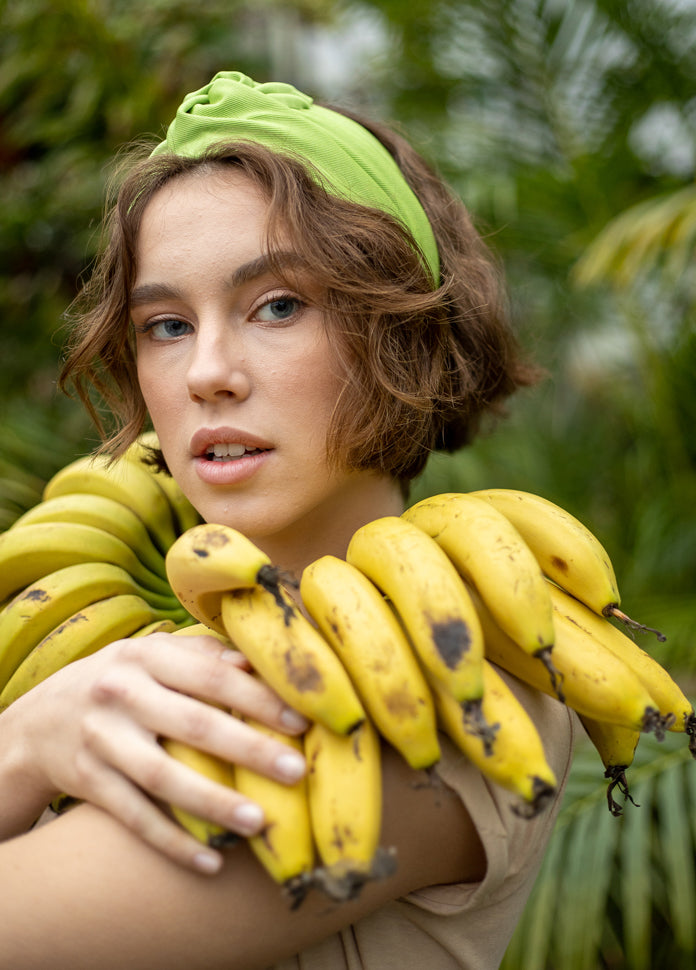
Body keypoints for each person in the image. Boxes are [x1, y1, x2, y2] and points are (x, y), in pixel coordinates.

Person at [0, 71, 575, 969]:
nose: (206, 373)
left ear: (401, 332)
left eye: (277, 306)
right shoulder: (114, 660)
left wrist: (22, 749)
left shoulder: (459, 669)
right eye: (165, 323)